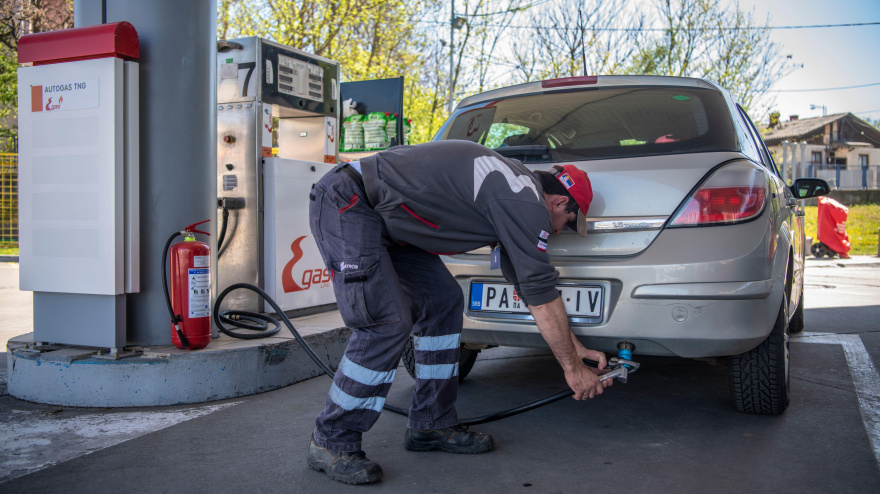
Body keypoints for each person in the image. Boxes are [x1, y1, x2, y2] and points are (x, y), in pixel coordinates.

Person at [306, 139, 611, 485]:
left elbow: (531, 288)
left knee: (442, 302)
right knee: (386, 322)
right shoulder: (524, 200)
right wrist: (573, 371)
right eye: (567, 223)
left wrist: (576, 349)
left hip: (391, 223)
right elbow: (542, 296)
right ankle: (332, 438)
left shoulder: (514, 190)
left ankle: (430, 423)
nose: (559, 232)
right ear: (558, 201)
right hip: (351, 202)